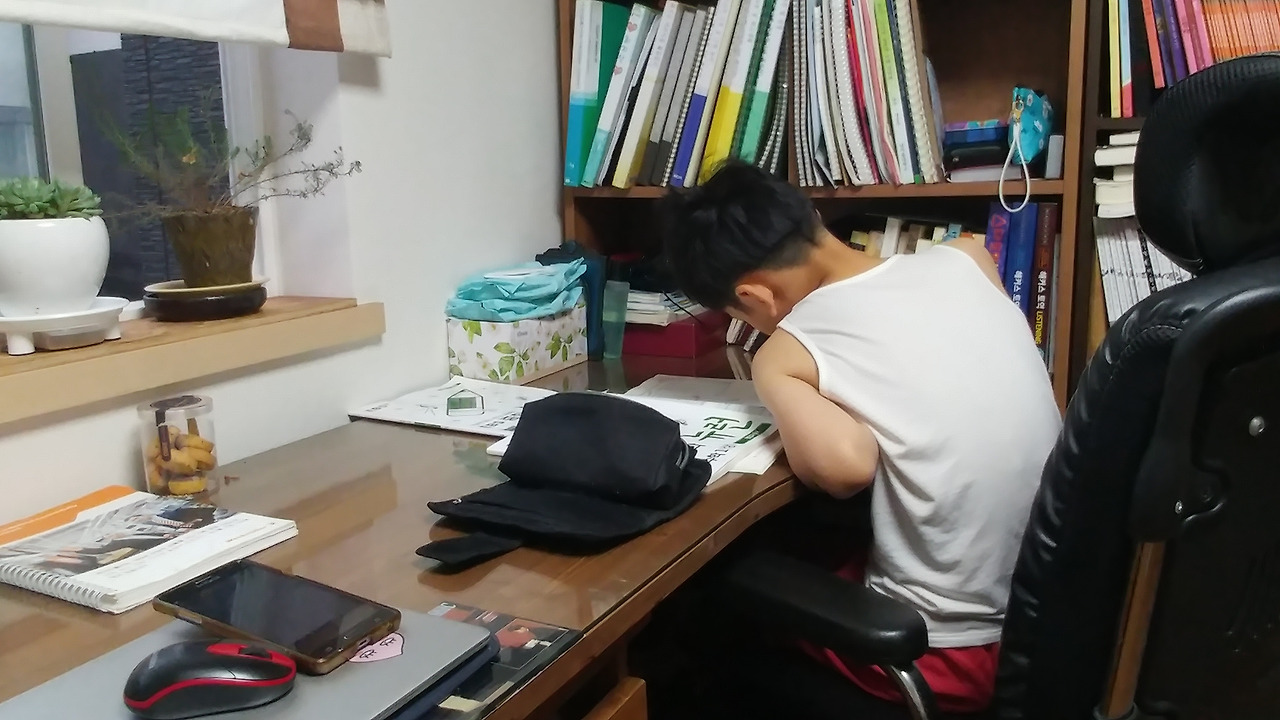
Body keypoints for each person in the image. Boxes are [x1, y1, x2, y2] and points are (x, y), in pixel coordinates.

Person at [656, 161, 1062, 712]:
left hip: (948, 656)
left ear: (755, 298)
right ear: (812, 217)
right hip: (1052, 618)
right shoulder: (967, 258)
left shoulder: (787, 350)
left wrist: (776, 375)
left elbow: (846, 469)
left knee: (709, 604)